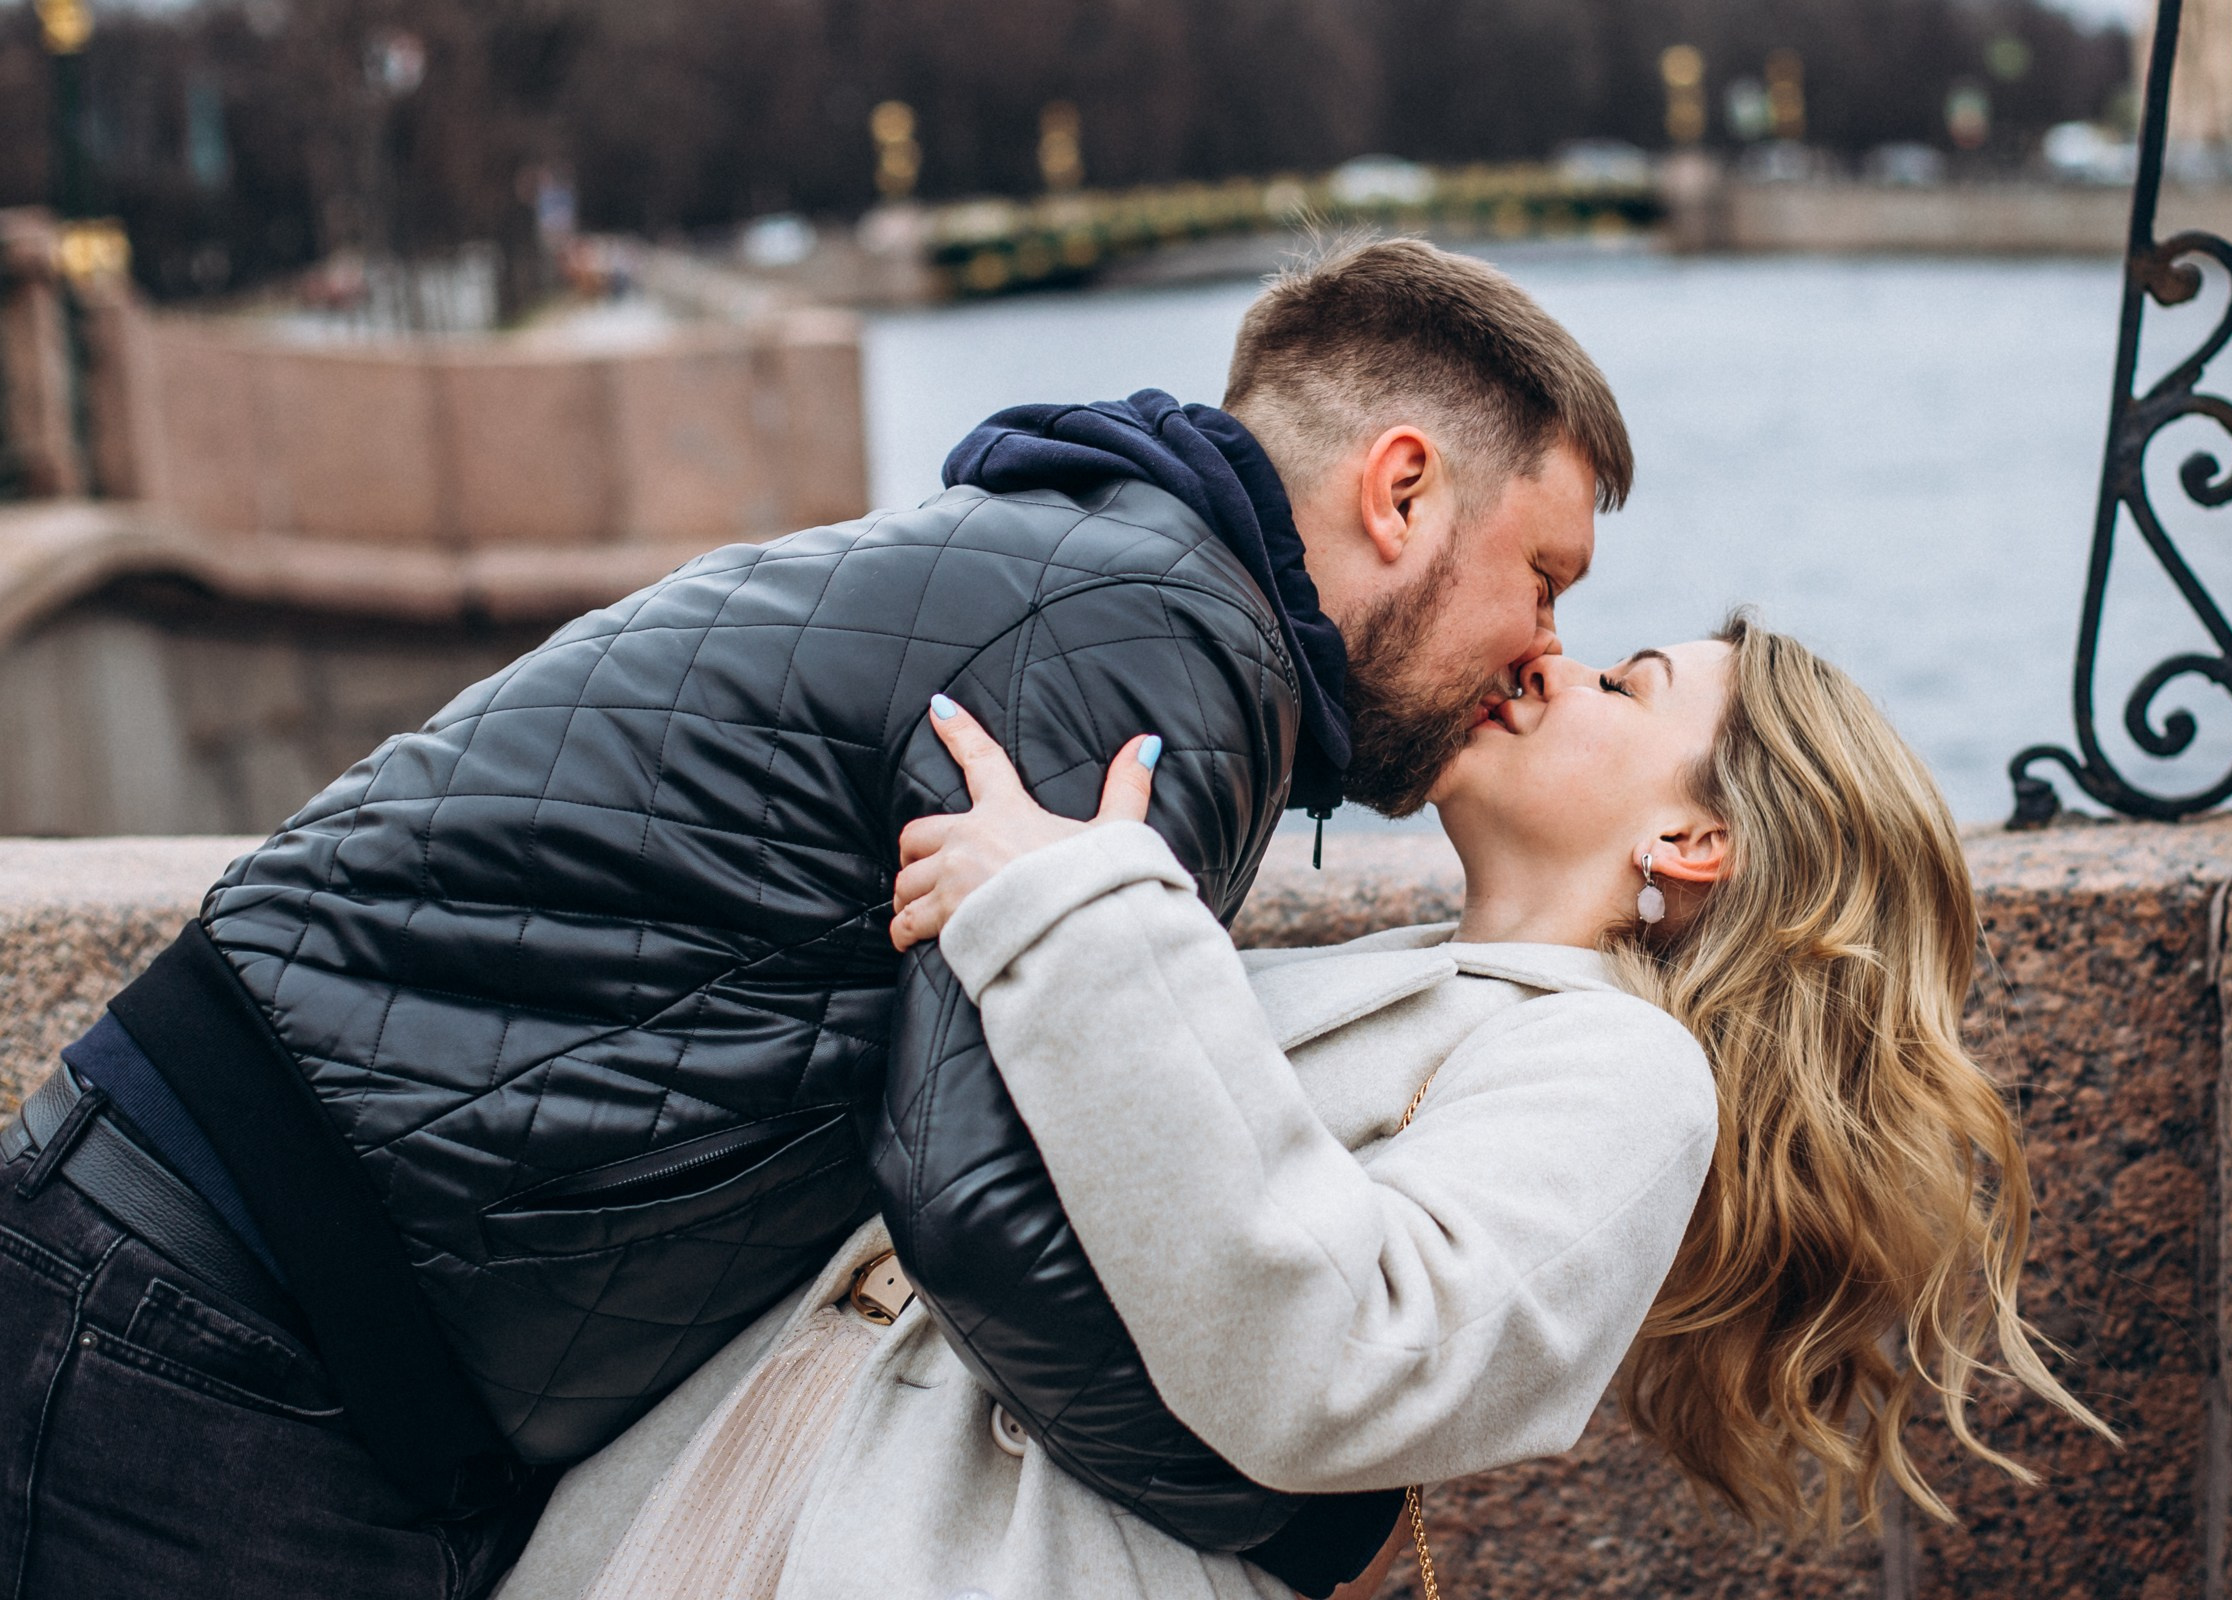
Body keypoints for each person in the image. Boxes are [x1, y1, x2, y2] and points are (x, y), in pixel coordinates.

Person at [0, 239, 1629, 1600]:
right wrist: (1304, 1523)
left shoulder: (1113, 587)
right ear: (1402, 491)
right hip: (226, 1327)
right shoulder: (1161, 650)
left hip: (275, 1313)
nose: (1543, 644)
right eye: (1544, 576)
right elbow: (981, 1193)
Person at [498, 615, 2111, 1600]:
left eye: (1628, 681)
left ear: (1696, 847)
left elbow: (1348, 1361)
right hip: (787, 1473)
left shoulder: (1631, 1076)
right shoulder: (1434, 983)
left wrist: (1075, 911)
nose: (1554, 656)